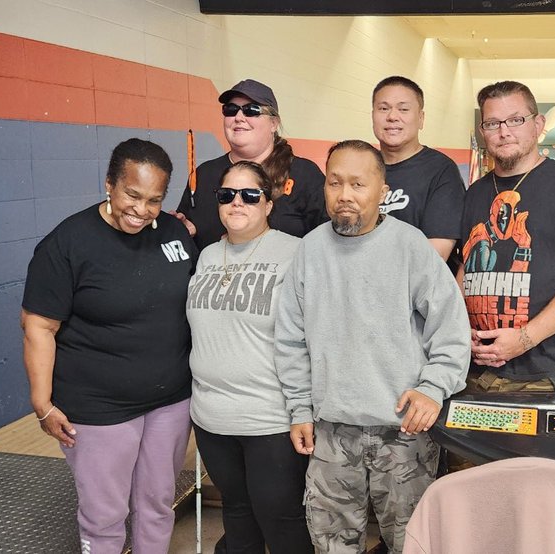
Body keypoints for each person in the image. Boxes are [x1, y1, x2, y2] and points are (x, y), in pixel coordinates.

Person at [275, 140, 470, 554]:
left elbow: (450, 329)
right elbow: (291, 339)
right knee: (330, 544)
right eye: (334, 183)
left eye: (358, 184)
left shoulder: (411, 246)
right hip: (330, 432)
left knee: (412, 542)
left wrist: (433, 388)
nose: (345, 195)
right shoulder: (309, 250)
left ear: (382, 191)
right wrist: (299, 408)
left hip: (403, 430)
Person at [21, 139, 196, 554]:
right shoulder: (68, 243)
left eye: (154, 200)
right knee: (104, 516)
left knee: (156, 504)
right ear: (109, 185)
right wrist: (42, 401)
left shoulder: (173, 233)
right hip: (99, 406)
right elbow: (38, 326)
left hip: (171, 401)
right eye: (132, 195)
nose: (141, 209)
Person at [458, 81, 555, 394]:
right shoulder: (474, 193)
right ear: (483, 131)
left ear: (538, 124)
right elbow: (465, 269)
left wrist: (524, 339)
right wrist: (461, 327)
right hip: (473, 371)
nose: (504, 132)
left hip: (545, 377)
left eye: (516, 120)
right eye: (492, 123)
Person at [186, 161, 312, 554]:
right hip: (211, 417)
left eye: (249, 195)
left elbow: (310, 339)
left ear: (269, 203)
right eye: (227, 195)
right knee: (237, 515)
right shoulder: (206, 256)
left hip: (270, 417)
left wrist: (302, 410)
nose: (236, 202)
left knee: (281, 517)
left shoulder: (295, 253)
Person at [177, 79, 327, 250]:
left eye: (251, 110)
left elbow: (326, 242)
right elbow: (190, 235)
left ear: (274, 123)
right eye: (231, 110)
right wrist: (184, 232)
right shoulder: (203, 175)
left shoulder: (304, 174)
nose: (239, 118)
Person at [370, 76, 466, 262]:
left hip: (416, 289)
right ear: (372, 115)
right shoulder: (363, 167)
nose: (392, 117)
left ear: (421, 119)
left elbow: (434, 256)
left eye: (404, 109)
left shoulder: (441, 171)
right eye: (383, 108)